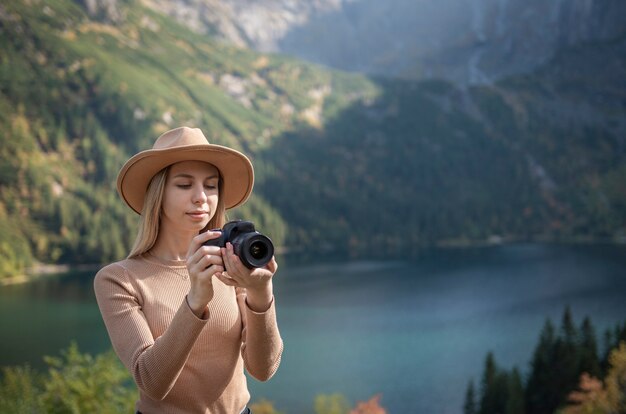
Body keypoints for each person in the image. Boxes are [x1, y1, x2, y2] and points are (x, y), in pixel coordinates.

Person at [94, 127, 283, 414]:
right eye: (184, 185)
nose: (201, 197)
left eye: (211, 185)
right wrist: (195, 300)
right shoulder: (119, 279)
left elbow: (264, 369)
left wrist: (261, 293)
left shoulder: (232, 264)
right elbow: (151, 382)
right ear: (157, 194)